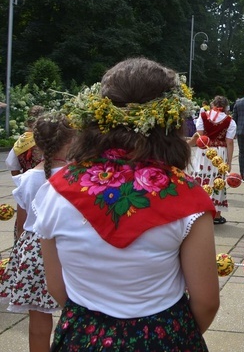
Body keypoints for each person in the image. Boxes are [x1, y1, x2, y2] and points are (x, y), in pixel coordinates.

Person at [33, 58, 219, 351]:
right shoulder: (188, 197)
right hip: (165, 338)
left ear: (96, 116)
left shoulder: (54, 191)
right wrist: (173, 335)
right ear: (169, 121)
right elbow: (206, 301)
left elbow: (57, 287)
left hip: (83, 337)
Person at [0, 112, 75, 352]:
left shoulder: (27, 179)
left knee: (39, 319)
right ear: (71, 141)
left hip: (33, 248)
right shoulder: (76, 176)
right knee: (76, 312)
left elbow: (22, 224)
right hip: (69, 247)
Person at [188, 95, 236, 225]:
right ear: (226, 107)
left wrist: (189, 143)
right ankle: (216, 214)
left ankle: (199, 210)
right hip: (220, 152)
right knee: (218, 179)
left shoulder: (203, 116)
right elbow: (230, 142)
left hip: (205, 150)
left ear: (212, 104)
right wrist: (229, 162)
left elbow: (200, 135)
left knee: (201, 176)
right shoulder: (229, 121)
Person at [5, 105, 45, 176]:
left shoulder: (20, 142)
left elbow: (14, 169)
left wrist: (22, 183)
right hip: (49, 183)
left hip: (27, 184)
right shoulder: (49, 139)